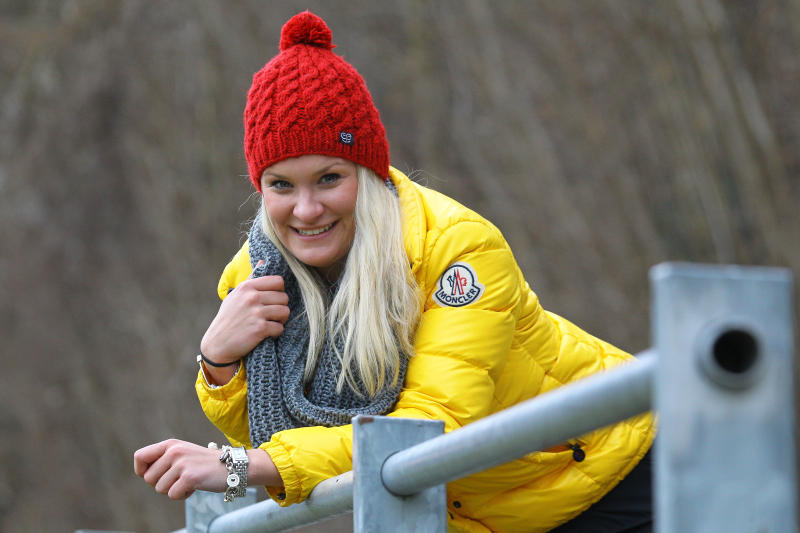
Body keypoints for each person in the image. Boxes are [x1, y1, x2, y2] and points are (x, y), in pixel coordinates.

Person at [134, 11, 655, 532]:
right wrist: (218, 362)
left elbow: (429, 429)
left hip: (616, 471)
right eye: (282, 185)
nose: (307, 209)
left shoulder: (458, 248)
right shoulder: (254, 278)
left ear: (368, 172)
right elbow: (275, 434)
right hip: (488, 518)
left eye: (329, 177)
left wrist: (237, 468)